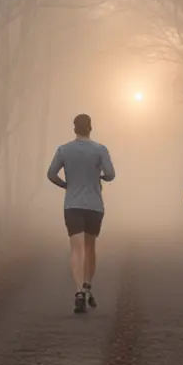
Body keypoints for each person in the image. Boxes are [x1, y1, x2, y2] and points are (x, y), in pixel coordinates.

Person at [47, 113, 115, 314]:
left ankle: (77, 291)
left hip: (73, 204)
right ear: (90, 128)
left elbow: (51, 173)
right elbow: (111, 174)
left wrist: (66, 185)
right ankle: (87, 285)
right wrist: (98, 176)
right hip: (94, 204)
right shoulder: (100, 150)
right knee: (90, 247)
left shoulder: (64, 150)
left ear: (74, 128)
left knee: (76, 249)